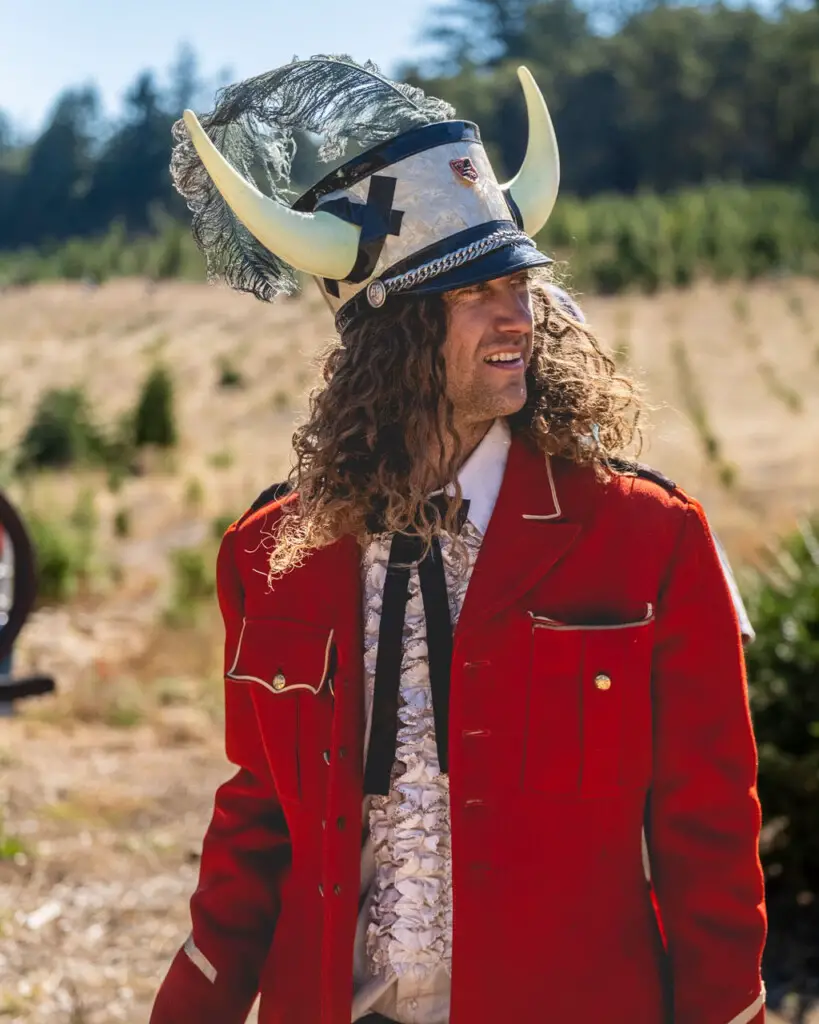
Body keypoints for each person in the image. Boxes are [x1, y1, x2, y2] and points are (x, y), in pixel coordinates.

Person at [151, 56, 766, 1024]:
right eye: (474, 290)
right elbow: (260, 814)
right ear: (390, 333)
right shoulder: (272, 554)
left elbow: (708, 829)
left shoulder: (647, 538)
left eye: (519, 281)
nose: (517, 312)